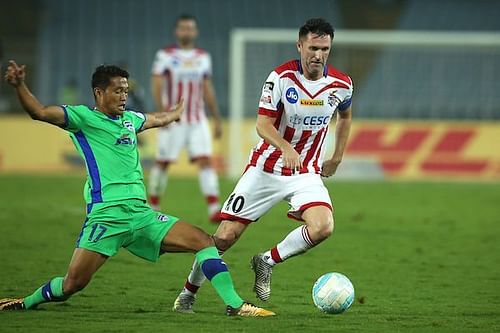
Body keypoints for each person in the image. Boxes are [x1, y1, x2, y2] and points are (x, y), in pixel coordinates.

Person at [0, 61, 274, 317]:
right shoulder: (81, 118)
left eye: (126, 91)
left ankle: (236, 305)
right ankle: (26, 301)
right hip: (107, 217)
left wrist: (175, 114)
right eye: (117, 91)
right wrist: (19, 85)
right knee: (72, 284)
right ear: (99, 92)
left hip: (142, 216)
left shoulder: (130, 119)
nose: (123, 96)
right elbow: (39, 112)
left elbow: (155, 118)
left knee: (204, 241)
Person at [172, 18, 353, 313]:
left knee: (323, 227)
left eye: (324, 49)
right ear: (300, 46)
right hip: (265, 169)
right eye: (313, 48)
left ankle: (266, 261)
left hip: (304, 173)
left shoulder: (341, 84)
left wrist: (337, 157)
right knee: (224, 237)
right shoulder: (281, 78)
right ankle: (187, 294)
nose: (318, 55)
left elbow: (345, 117)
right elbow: (262, 124)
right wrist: (285, 147)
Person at [148, 14, 223, 223]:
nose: (186, 32)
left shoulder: (203, 57)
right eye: (183, 28)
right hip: (173, 119)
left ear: (195, 32)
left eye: (190, 28)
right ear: (176, 31)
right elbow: (156, 84)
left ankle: (214, 208)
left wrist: (216, 118)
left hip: (198, 119)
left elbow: (207, 88)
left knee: (206, 160)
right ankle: (153, 205)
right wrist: (163, 113)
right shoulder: (165, 55)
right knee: (162, 162)